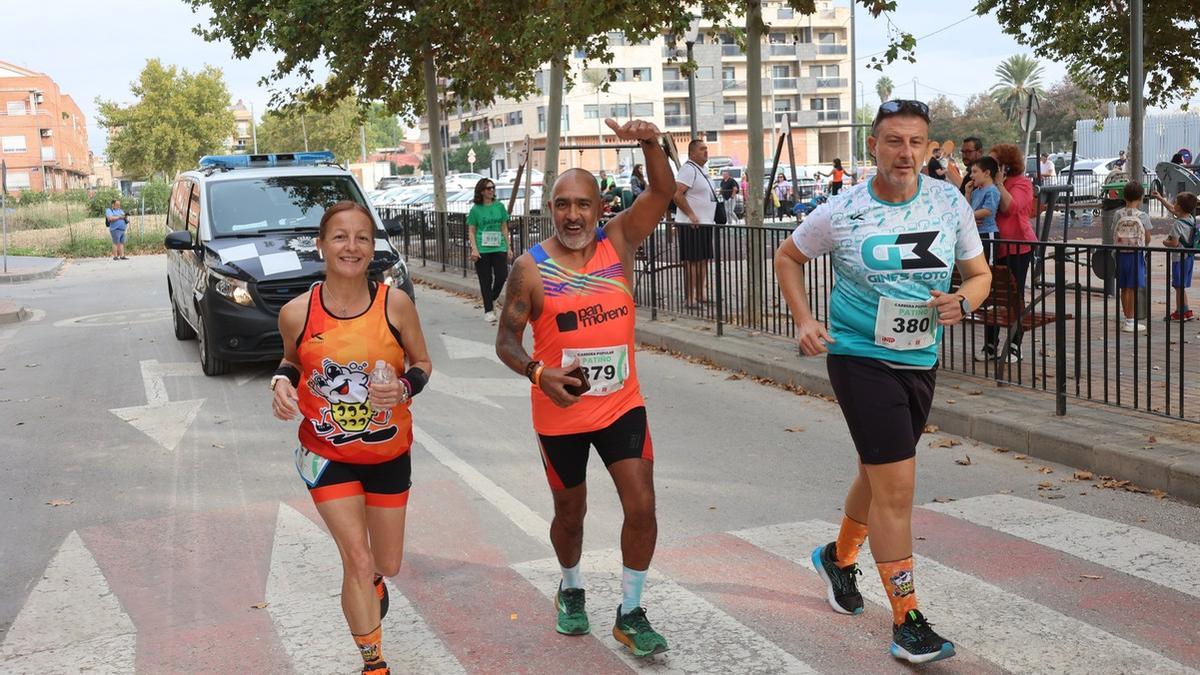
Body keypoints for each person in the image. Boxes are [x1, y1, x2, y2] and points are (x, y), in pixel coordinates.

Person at [773, 99, 990, 665]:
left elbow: (980, 274)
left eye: (917, 142)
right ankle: (907, 619)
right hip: (859, 356)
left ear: (930, 147)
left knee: (879, 470)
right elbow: (787, 257)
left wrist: (963, 302)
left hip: (920, 357)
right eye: (894, 141)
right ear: (874, 145)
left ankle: (839, 558)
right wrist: (804, 319)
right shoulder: (842, 210)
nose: (906, 153)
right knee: (897, 486)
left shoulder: (948, 202)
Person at [495, 118, 674, 657]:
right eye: (562, 204)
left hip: (621, 404)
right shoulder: (529, 269)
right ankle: (571, 588)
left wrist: (648, 142)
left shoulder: (617, 242)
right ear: (551, 209)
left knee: (641, 504)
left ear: (601, 209)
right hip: (560, 412)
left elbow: (664, 191)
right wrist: (536, 373)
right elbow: (506, 340)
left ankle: (631, 610)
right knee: (570, 513)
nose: (573, 215)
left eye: (583, 204)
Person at [271, 201, 432, 675]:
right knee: (356, 558)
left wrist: (404, 387)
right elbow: (292, 361)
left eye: (362, 237)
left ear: (373, 247)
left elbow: (422, 363)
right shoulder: (297, 312)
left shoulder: (395, 303)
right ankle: (374, 663)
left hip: (388, 451)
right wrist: (279, 382)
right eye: (340, 236)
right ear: (321, 245)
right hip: (326, 453)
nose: (351, 246)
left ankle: (377, 579)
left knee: (386, 562)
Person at [986, 143, 1038, 361]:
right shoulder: (991, 183)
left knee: (1014, 294)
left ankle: (1015, 344)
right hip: (995, 246)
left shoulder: (1022, 184)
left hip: (1017, 246)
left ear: (1006, 165)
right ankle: (990, 342)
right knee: (993, 294)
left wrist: (999, 184)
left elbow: (1011, 207)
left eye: (994, 163)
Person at [673, 139, 717, 309]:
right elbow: (676, 194)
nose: (706, 152)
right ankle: (690, 298)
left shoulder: (702, 170)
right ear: (692, 153)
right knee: (692, 261)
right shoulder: (688, 169)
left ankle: (701, 294)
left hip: (705, 222)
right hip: (692, 224)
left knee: (704, 259)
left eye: (706, 148)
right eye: (702, 149)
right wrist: (691, 215)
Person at [467, 178, 511, 323]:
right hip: (482, 249)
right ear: (481, 191)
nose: (491, 190)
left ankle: (491, 298)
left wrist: (508, 246)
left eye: (493, 188)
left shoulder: (499, 206)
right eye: (488, 188)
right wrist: (474, 249)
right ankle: (488, 310)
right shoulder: (475, 210)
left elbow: (504, 227)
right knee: (485, 280)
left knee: (502, 275)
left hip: (499, 247)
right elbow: (472, 231)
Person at [1152, 190, 1198, 321]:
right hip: (1188, 256)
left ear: (1180, 207)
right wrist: (1160, 198)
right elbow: (1173, 210)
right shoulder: (1190, 218)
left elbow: (1174, 242)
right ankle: (1186, 310)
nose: (1174, 204)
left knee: (1178, 286)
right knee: (1181, 286)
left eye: (1176, 203)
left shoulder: (1178, 224)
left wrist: (1164, 242)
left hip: (1179, 258)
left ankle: (1180, 312)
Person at [1113, 182, 1152, 332]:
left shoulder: (1118, 214)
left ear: (1124, 196)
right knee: (1133, 287)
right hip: (1136, 255)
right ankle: (1131, 320)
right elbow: (1147, 238)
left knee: (1124, 287)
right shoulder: (1143, 216)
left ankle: (1127, 319)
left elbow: (1113, 233)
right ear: (1141, 198)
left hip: (1120, 254)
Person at [969, 157, 1001, 264]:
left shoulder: (992, 190)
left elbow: (988, 210)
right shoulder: (975, 192)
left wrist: (968, 216)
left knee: (989, 264)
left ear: (987, 173)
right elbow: (967, 209)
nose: (971, 175)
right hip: (977, 234)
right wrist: (967, 193)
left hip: (988, 233)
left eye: (974, 171)